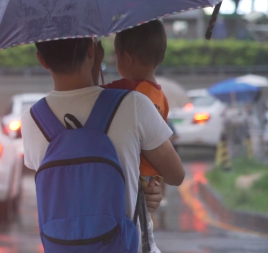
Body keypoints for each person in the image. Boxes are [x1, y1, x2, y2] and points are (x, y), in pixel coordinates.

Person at [22, 37, 184, 251]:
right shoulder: (132, 104)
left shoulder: (32, 119)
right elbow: (175, 174)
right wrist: (142, 188)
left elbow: (73, 187)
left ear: (41, 59)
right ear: (92, 49)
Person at [97, 20, 172, 252]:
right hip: (150, 180)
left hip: (130, 179)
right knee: (143, 231)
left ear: (127, 59)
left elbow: (92, 94)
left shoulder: (129, 92)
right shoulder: (162, 98)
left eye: (116, 56)